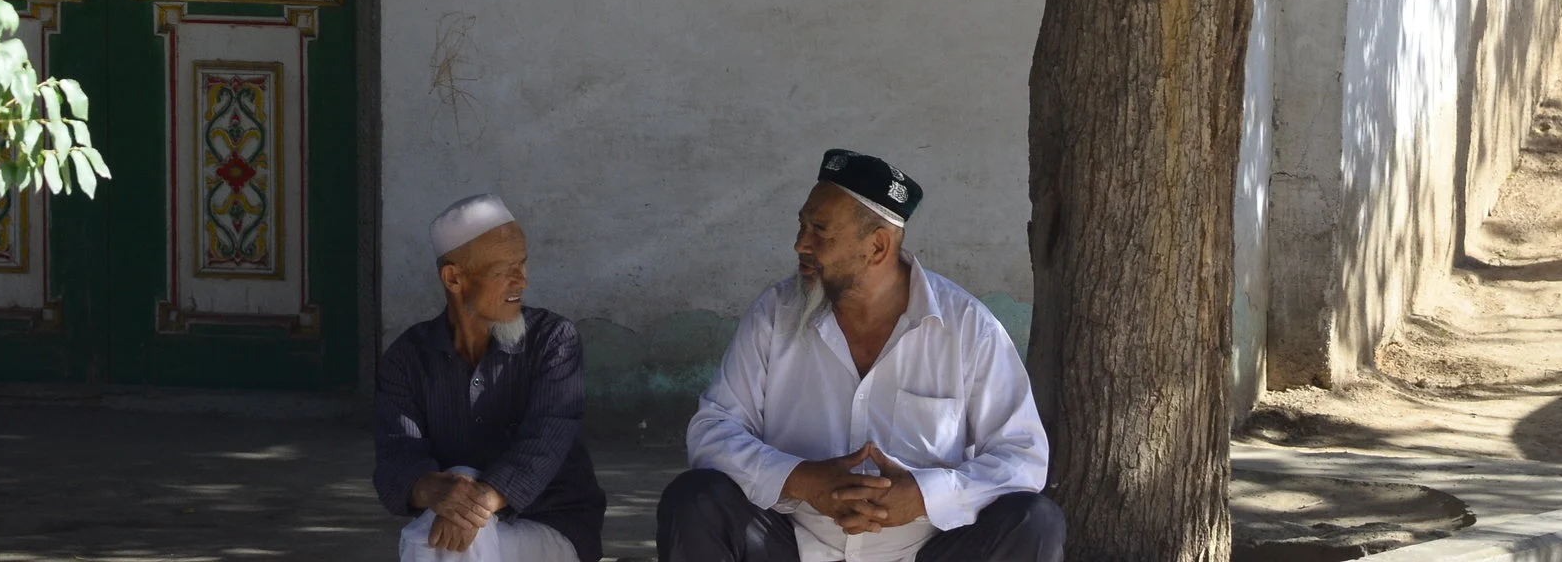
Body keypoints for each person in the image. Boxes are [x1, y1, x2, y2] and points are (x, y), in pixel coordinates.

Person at [659, 151, 1064, 562]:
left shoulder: (967, 327)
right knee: (694, 500)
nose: (801, 243)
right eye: (802, 225)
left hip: (925, 549)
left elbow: (1022, 456)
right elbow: (713, 431)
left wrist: (925, 495)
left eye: (820, 230)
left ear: (877, 246)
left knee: (1034, 521)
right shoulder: (776, 313)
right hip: (793, 545)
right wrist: (801, 480)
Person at [375, 194, 608, 562]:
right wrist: (433, 489)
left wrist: (475, 500)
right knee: (452, 504)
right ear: (454, 278)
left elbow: (545, 444)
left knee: (453, 521)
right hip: (455, 531)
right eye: (505, 270)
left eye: (523, 264)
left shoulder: (553, 340)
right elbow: (395, 462)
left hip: (550, 527)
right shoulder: (407, 359)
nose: (522, 281)